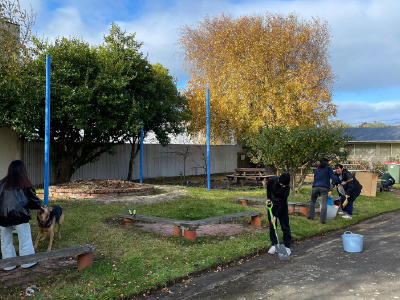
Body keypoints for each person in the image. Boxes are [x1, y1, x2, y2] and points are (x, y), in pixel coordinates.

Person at [0, 160, 43, 270]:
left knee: (5, 241)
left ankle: (9, 265)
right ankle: (27, 263)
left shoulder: (1, 183)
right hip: (20, 216)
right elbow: (34, 201)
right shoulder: (24, 183)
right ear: (23, 170)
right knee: (25, 239)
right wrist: (40, 205)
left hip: (3, 217)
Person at [308, 158, 341, 224]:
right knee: (324, 204)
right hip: (324, 188)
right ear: (327, 162)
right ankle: (322, 220)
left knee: (312, 202)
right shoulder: (328, 168)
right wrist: (340, 181)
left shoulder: (317, 170)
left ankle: (311, 216)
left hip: (315, 187)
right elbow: (333, 177)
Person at [266, 173, 292, 256]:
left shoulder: (287, 188)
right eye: (282, 184)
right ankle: (274, 244)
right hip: (272, 206)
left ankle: (287, 247)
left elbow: (283, 203)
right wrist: (268, 198)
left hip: (282, 207)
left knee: (285, 226)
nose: (284, 186)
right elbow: (268, 189)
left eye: (285, 185)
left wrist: (276, 216)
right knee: (272, 226)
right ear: (279, 181)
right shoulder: (272, 180)